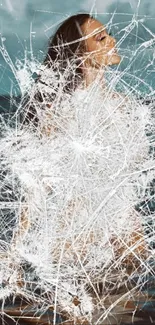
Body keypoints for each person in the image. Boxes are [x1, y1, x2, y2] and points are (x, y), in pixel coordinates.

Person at [23, 13, 121, 127]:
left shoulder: (120, 103)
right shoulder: (59, 109)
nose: (113, 40)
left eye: (109, 34)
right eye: (101, 38)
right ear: (79, 52)